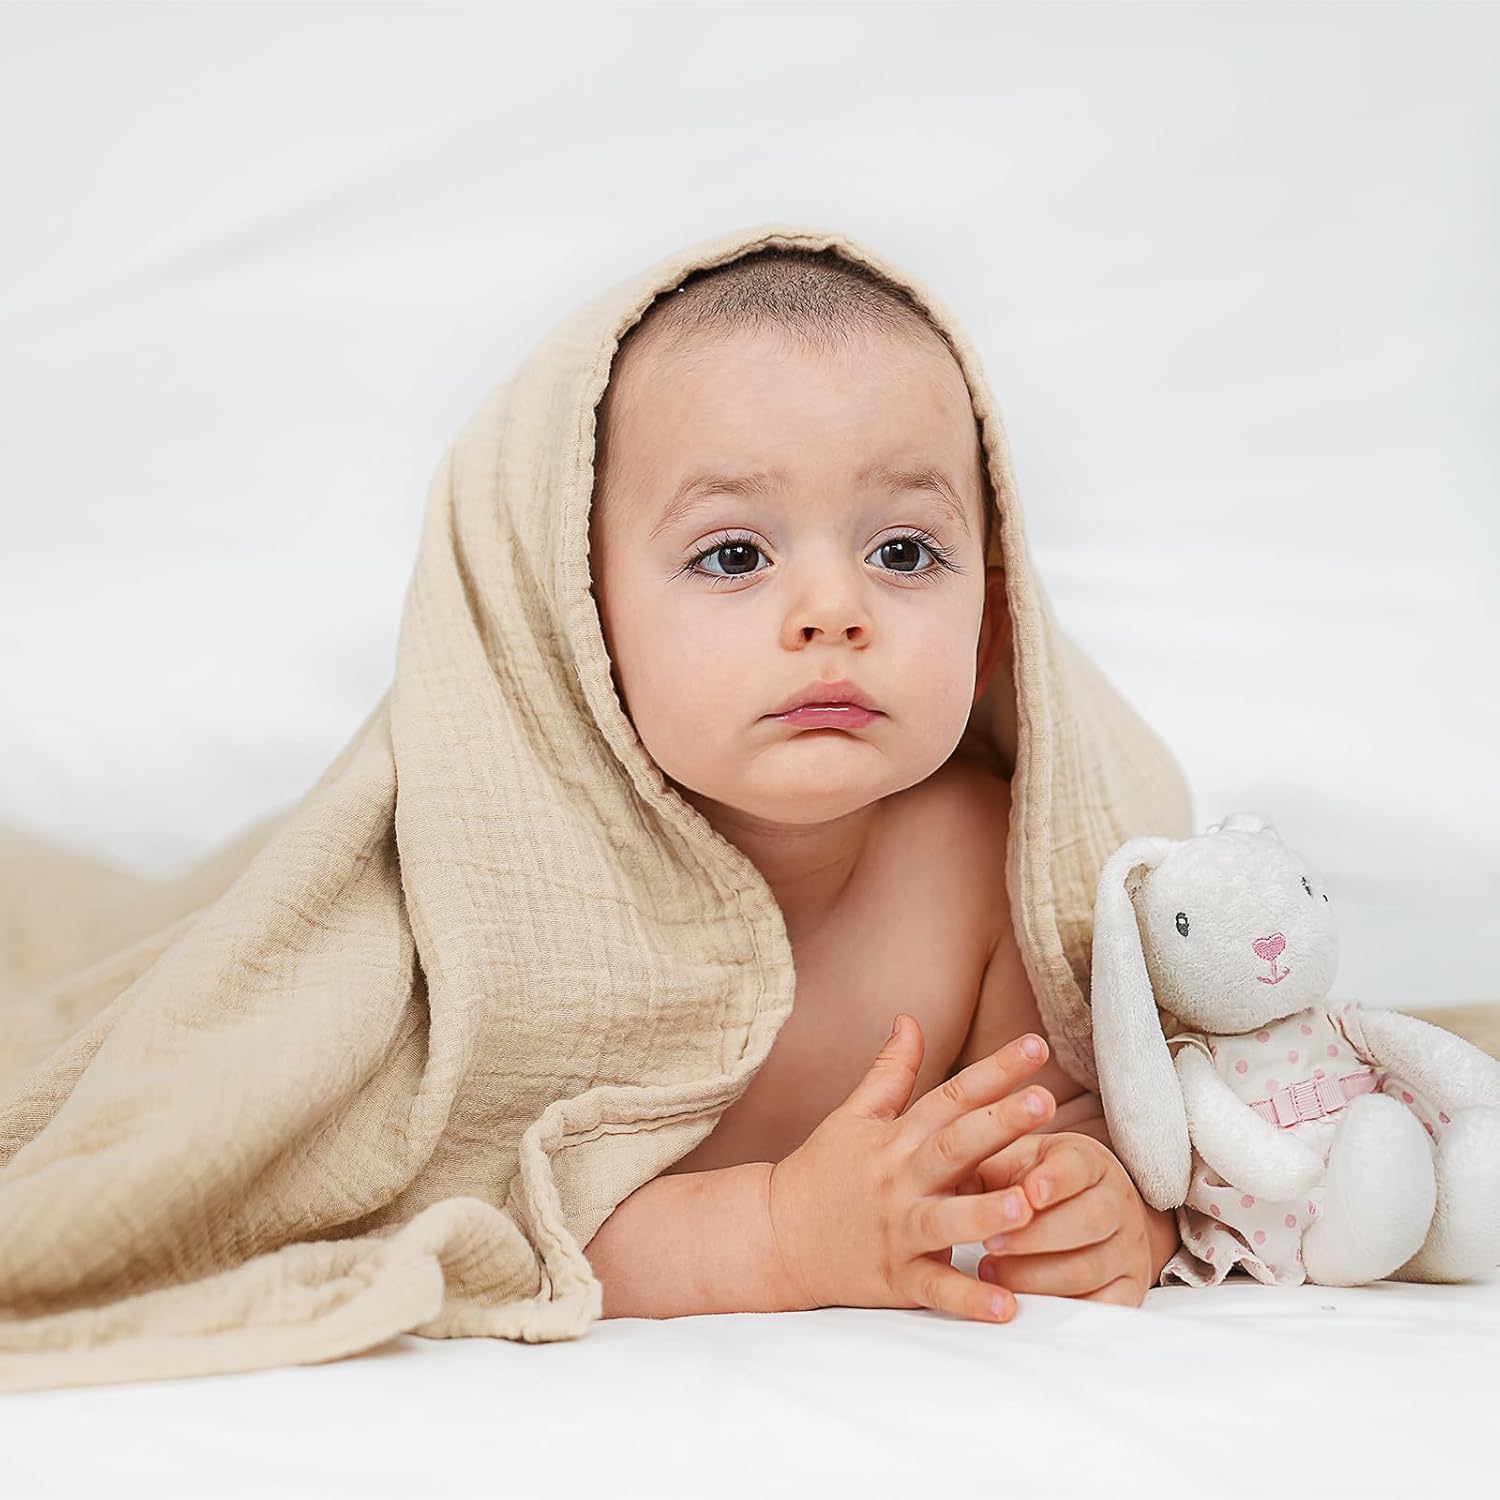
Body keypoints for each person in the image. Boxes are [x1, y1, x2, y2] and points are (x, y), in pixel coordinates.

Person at [582, 247, 1182, 1322]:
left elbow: (1070, 1123)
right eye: (731, 555)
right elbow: (470, 1211)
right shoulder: (531, 885)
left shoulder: (986, 865)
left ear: (994, 632)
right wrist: (775, 1239)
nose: (831, 610)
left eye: (903, 552)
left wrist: (1102, 1204)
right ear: (587, 625)